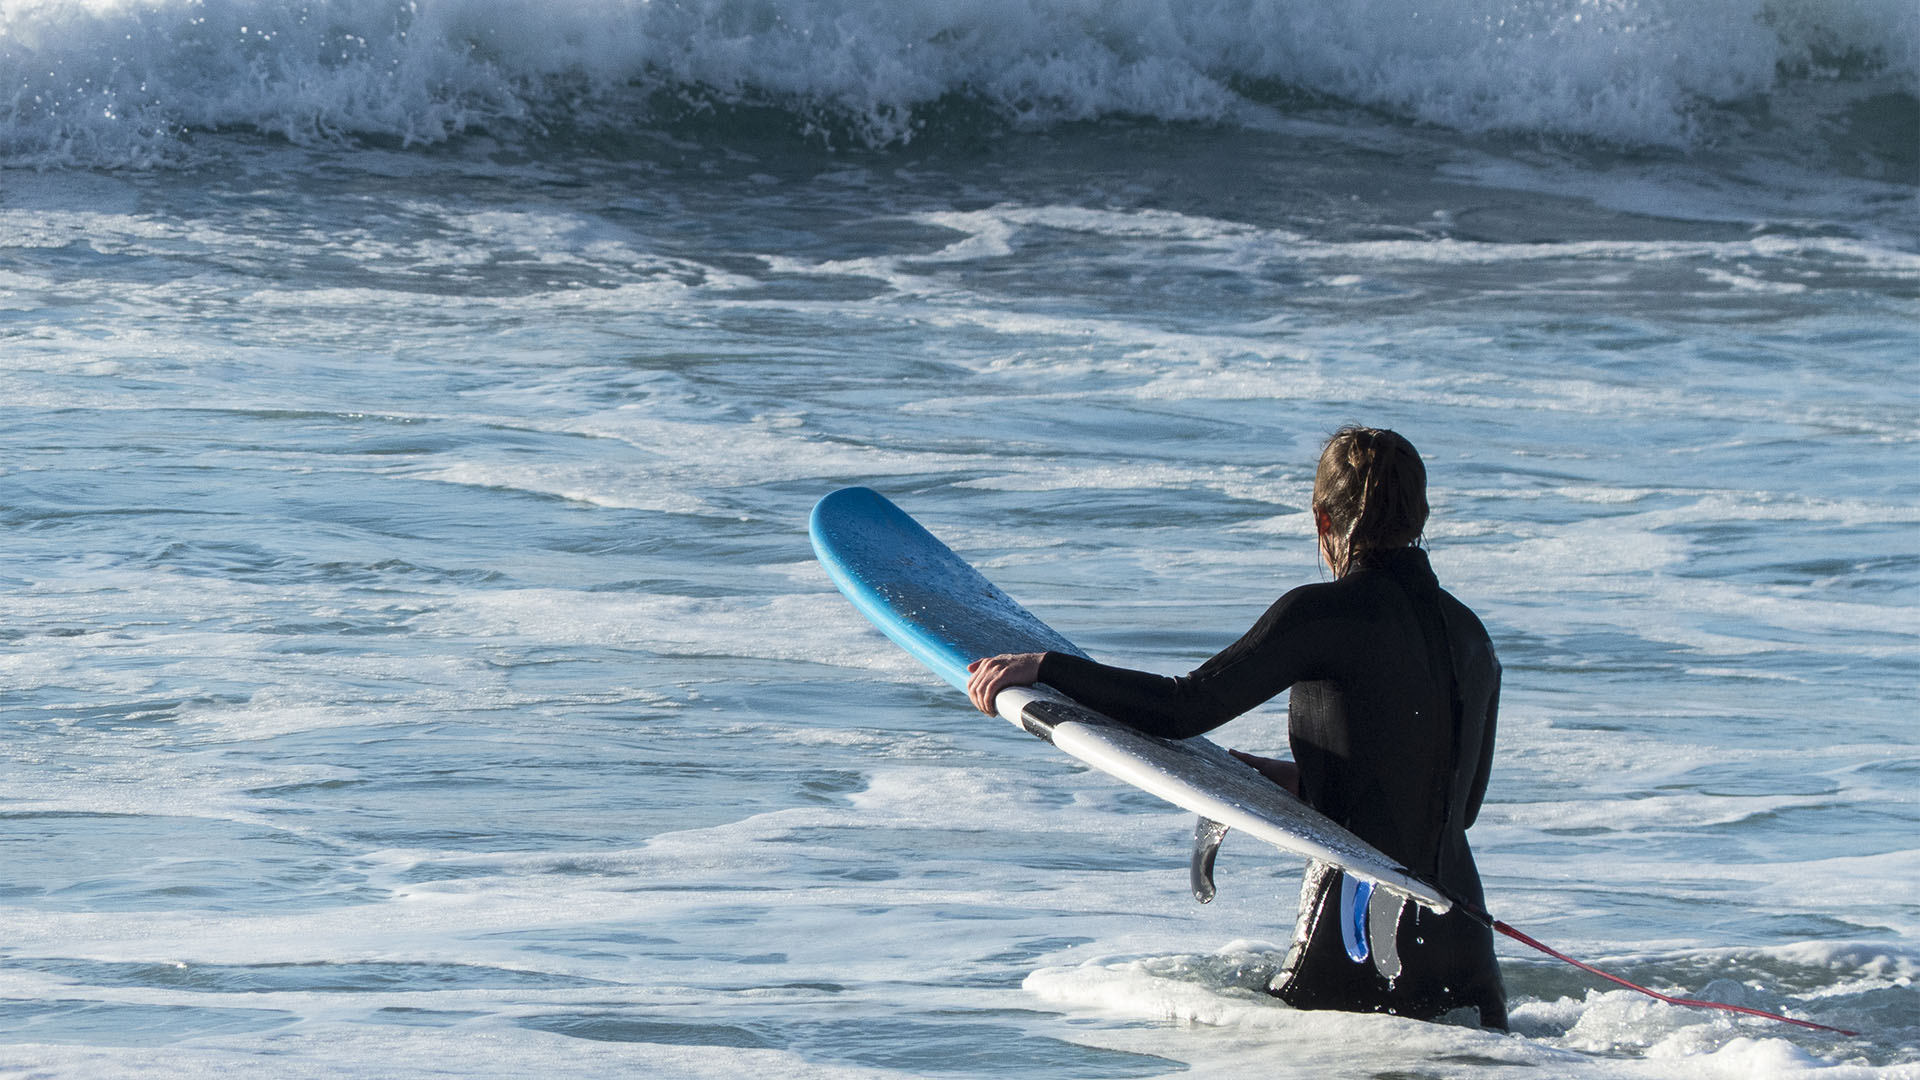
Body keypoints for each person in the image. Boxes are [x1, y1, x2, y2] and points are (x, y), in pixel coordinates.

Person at [966, 426, 1508, 1029]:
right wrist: (1296, 779)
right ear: (1421, 515)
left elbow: (1182, 708)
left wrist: (1047, 667)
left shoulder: (1323, 614)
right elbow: (1451, 804)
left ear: (1323, 520)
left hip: (1358, 933)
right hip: (1464, 936)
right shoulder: (1471, 635)